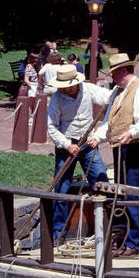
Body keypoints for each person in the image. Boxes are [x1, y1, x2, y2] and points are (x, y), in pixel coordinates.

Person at [87, 52, 139, 258]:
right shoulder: (118, 93)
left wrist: (132, 132)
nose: (112, 78)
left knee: (135, 194)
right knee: (123, 193)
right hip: (122, 148)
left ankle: (136, 243)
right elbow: (109, 123)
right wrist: (98, 137)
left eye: (114, 74)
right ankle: (127, 237)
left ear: (123, 71)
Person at [46, 63, 112, 234]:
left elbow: (111, 99)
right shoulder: (56, 99)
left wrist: (98, 135)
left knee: (102, 182)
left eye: (67, 86)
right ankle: (57, 233)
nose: (64, 90)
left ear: (75, 83)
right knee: (61, 189)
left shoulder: (89, 89)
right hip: (66, 146)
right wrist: (67, 145)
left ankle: (107, 228)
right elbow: (52, 127)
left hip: (88, 145)